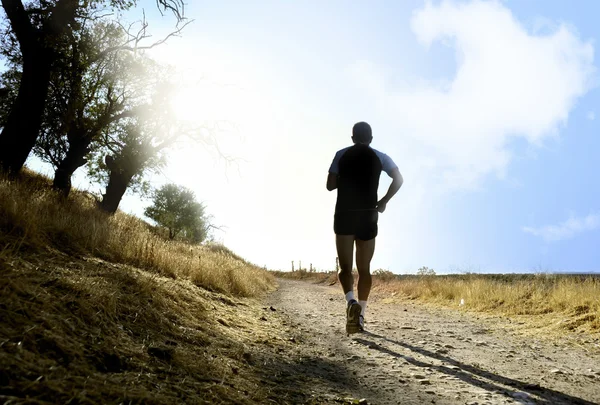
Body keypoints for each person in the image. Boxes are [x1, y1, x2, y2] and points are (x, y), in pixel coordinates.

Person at [326, 122, 403, 334]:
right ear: (371, 138)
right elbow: (399, 178)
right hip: (368, 215)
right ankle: (360, 316)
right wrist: (384, 201)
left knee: (345, 268)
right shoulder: (381, 157)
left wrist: (347, 179)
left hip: (344, 215)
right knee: (364, 270)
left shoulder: (341, 155)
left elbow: (330, 185)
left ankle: (351, 302)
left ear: (352, 138)